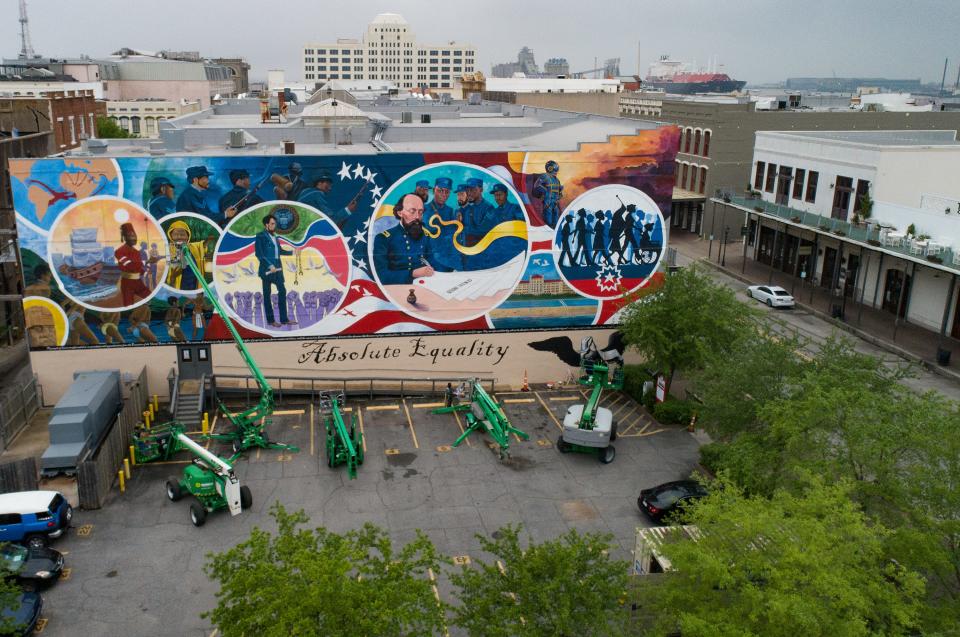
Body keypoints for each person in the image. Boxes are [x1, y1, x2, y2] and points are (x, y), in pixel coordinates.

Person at [373, 193, 443, 285]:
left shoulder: (425, 236)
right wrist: (413, 273)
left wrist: (453, 272)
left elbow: (433, 262)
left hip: (424, 285)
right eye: (412, 211)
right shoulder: (384, 238)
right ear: (400, 212)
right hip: (398, 289)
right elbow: (381, 276)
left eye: (420, 212)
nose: (417, 217)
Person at [255, 214, 298, 327]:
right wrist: (269, 266)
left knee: (282, 292)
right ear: (266, 225)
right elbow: (259, 254)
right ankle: (271, 321)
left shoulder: (276, 238)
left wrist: (292, 252)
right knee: (267, 295)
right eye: (272, 224)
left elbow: (280, 251)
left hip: (278, 269)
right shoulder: (260, 236)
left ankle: (284, 319)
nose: (274, 226)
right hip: (266, 271)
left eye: (275, 224)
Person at [115, 222, 162, 306]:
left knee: (150, 298)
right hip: (127, 284)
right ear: (125, 237)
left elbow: (138, 268)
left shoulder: (137, 252)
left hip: (138, 282)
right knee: (129, 305)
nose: (133, 238)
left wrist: (146, 271)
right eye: (130, 236)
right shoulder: (119, 252)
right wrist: (147, 262)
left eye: (134, 235)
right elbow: (131, 265)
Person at [424, 177, 462, 271]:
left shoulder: (451, 211)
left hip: (449, 258)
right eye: (440, 190)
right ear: (434, 190)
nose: (444, 194)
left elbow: (454, 236)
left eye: (447, 191)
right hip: (431, 259)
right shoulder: (424, 209)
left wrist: (458, 222)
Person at [164, 220, 209, 292]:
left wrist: (208, 240)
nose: (179, 237)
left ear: (188, 236)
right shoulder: (168, 250)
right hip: (180, 285)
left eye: (182, 234)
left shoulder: (193, 247)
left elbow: (201, 245)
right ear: (170, 236)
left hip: (194, 284)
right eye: (175, 234)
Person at [532, 160, 563, 227]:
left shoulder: (557, 180)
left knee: (556, 219)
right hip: (548, 202)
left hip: (555, 202)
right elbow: (536, 185)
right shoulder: (545, 176)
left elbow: (559, 190)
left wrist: (560, 193)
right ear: (550, 168)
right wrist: (545, 193)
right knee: (548, 220)